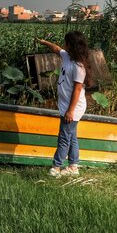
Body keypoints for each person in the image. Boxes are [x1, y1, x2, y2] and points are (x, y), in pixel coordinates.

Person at [36, 32, 92, 177]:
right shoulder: (67, 56)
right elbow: (56, 49)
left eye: (65, 42)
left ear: (71, 45)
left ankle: (56, 167)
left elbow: (78, 90)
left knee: (64, 138)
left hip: (73, 108)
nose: (63, 44)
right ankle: (73, 167)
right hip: (66, 106)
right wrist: (44, 42)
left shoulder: (79, 67)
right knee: (71, 136)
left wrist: (70, 111)